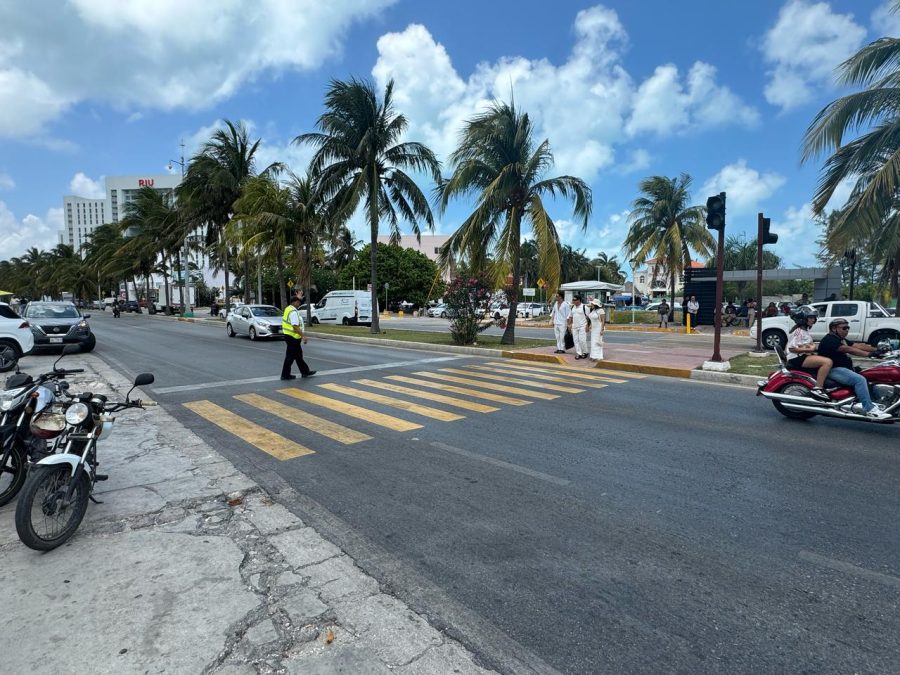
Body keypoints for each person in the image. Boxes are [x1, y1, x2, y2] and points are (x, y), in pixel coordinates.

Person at [816, 318, 890, 419]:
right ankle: (869, 409)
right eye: (844, 328)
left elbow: (858, 345)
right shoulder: (830, 340)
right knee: (859, 380)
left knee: (870, 374)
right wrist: (870, 354)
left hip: (845, 368)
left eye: (848, 328)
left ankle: (875, 402)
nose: (847, 330)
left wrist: (878, 350)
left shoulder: (841, 339)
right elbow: (849, 349)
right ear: (834, 328)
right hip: (833, 369)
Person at [785, 309, 832, 400]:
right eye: (810, 318)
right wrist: (811, 348)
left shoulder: (804, 331)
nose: (813, 320)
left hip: (802, 356)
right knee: (827, 362)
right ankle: (818, 388)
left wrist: (811, 347)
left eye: (814, 318)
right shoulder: (798, 331)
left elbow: (803, 345)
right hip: (796, 358)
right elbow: (792, 348)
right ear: (803, 319)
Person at [281, 294, 316, 381]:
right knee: (290, 357)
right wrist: (303, 336)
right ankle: (285, 375)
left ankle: (305, 372)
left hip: (290, 336)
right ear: (295, 302)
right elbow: (295, 326)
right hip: (293, 337)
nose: (299, 304)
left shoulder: (288, 309)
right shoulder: (293, 312)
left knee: (298, 356)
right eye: (298, 302)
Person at [568, 295, 590, 360]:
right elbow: (570, 316)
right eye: (573, 300)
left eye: (575, 300)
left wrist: (587, 326)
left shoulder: (584, 307)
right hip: (574, 326)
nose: (574, 301)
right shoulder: (572, 307)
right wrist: (569, 325)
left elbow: (589, 318)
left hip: (583, 326)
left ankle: (585, 352)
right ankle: (579, 353)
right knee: (576, 341)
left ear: (579, 300)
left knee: (582, 340)